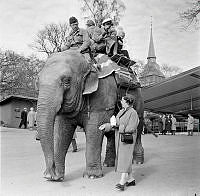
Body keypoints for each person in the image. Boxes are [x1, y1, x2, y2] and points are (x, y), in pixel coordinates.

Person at [99, 95, 139, 191]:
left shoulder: (133, 113)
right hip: (120, 139)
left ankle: (122, 182)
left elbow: (131, 128)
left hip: (128, 139)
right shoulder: (122, 111)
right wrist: (107, 126)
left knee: (125, 159)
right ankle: (131, 180)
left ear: (127, 102)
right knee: (125, 158)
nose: (121, 102)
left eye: (122, 100)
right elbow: (115, 124)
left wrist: (119, 127)